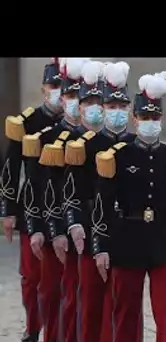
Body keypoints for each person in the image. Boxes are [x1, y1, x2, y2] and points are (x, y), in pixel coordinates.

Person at [93, 70, 166, 342]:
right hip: (127, 238)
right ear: (135, 120)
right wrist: (101, 246)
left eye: (155, 117)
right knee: (125, 314)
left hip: (164, 240)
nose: (150, 122)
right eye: (144, 118)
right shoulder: (117, 155)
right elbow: (103, 203)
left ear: (161, 120)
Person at [61, 61, 140, 342]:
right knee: (92, 302)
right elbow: (70, 192)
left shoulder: (137, 144)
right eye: (111, 107)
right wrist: (74, 225)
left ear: (130, 111)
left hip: (130, 232)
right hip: (94, 228)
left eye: (122, 107)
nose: (117, 113)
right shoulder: (85, 145)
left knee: (128, 305)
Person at [25, 57, 90, 342]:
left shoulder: (95, 139)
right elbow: (39, 186)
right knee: (51, 293)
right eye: (70, 95)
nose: (75, 101)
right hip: (55, 227)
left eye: (80, 95)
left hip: (89, 227)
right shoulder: (48, 137)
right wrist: (45, 229)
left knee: (83, 297)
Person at [0, 58, 63, 342]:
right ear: (43, 88)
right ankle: (32, 325)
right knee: (30, 276)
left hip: (63, 206)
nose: (59, 92)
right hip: (31, 206)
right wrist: (8, 211)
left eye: (64, 87)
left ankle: (55, 327)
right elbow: (11, 168)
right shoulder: (27, 122)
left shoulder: (73, 123)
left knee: (57, 278)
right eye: (54, 86)